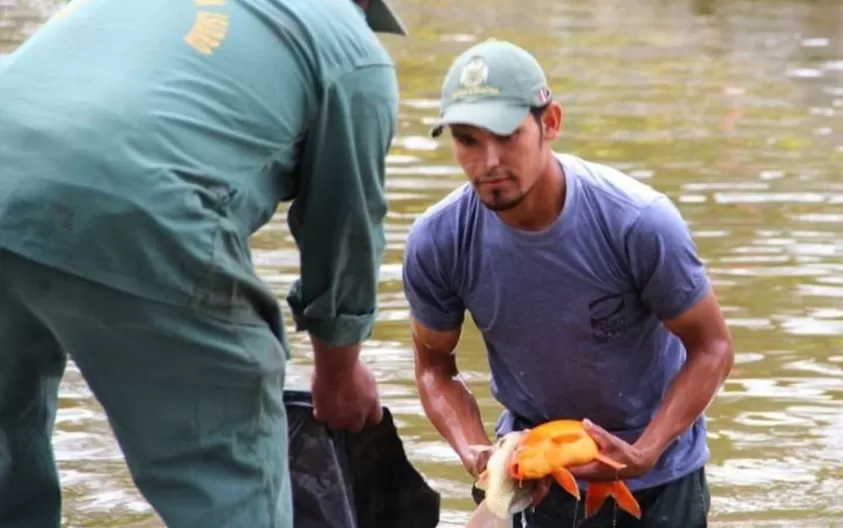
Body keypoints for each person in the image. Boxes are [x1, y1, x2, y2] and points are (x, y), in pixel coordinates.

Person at [0, 0, 405, 526]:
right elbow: (345, 227)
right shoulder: (353, 51)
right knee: (228, 478)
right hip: (138, 200)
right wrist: (339, 372)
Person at [403, 39, 735, 528]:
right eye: (468, 140)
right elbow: (434, 369)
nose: (489, 161)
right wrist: (476, 452)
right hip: (534, 479)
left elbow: (713, 349)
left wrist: (642, 452)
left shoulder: (638, 223)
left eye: (507, 135)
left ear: (550, 123)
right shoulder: (438, 239)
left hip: (660, 478)